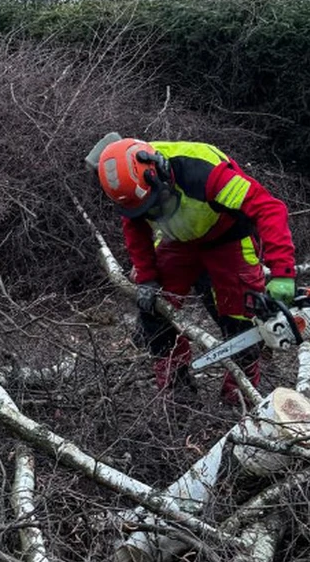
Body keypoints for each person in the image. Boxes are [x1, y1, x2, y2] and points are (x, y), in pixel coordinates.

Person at [87, 135, 297, 404]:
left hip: (228, 236)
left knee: (242, 320)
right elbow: (135, 228)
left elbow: (268, 209)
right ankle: (178, 393)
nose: (154, 209)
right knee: (154, 310)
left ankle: (238, 399)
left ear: (159, 172)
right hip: (178, 240)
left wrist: (282, 272)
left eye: (156, 201)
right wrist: (147, 276)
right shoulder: (131, 187)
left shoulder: (206, 173)